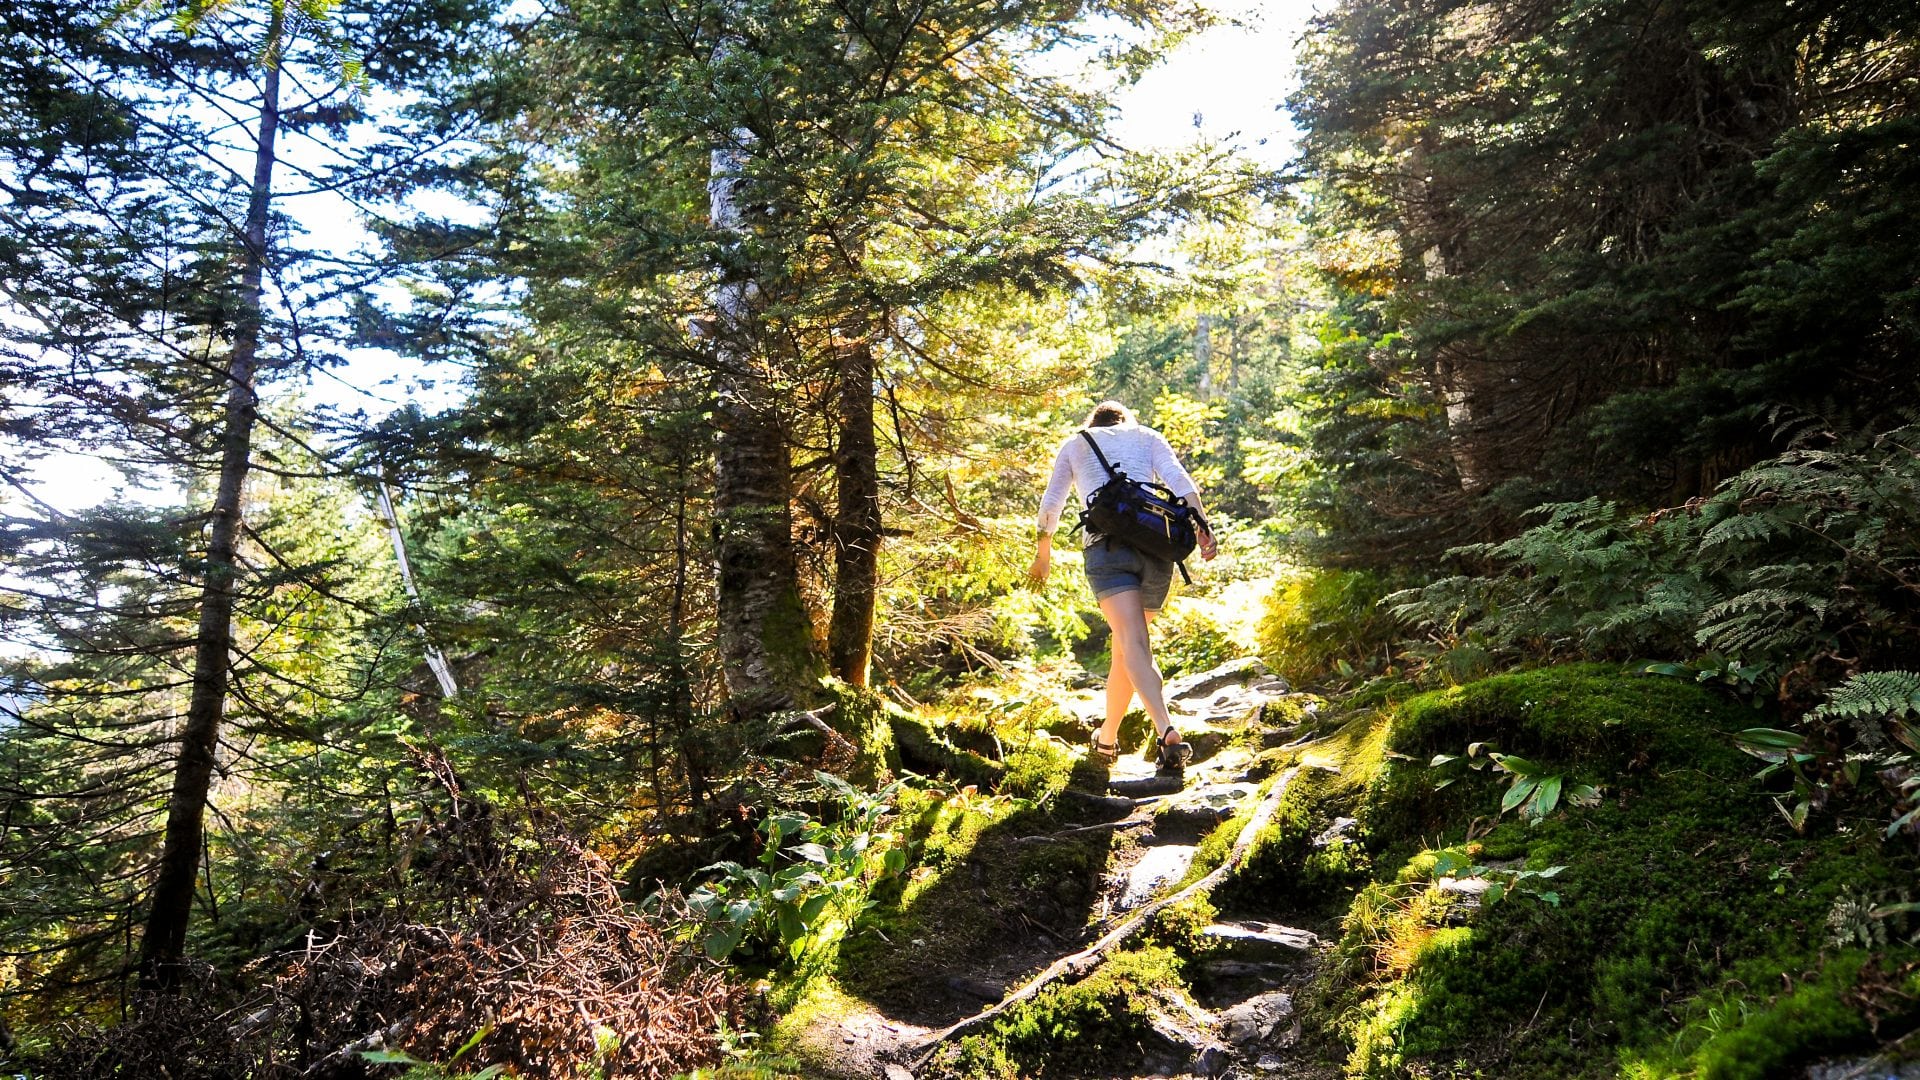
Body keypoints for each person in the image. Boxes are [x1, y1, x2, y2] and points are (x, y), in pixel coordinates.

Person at [1028, 400, 1217, 771]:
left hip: (1106, 551)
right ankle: (1107, 740)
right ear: (1126, 421)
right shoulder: (1146, 436)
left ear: (1093, 422)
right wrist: (1202, 524)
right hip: (1156, 551)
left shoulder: (1077, 442)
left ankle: (1166, 731)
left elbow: (1052, 502)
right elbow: (1180, 481)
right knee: (1129, 648)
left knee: (1131, 644)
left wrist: (1043, 554)